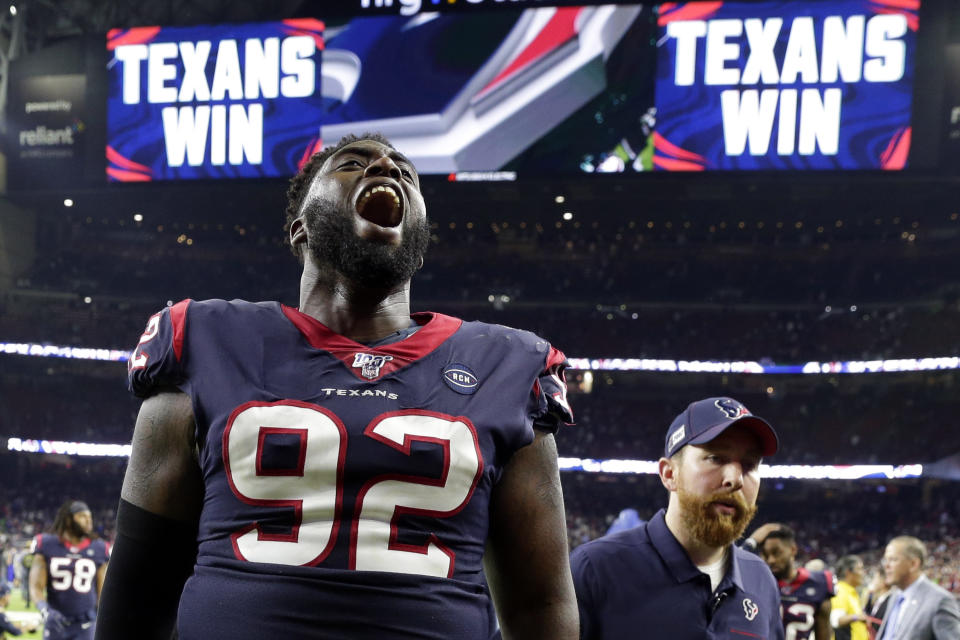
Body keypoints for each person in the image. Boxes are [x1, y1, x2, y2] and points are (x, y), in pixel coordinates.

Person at [95, 133, 578, 639]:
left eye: (405, 173)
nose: (387, 168)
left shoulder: (510, 366)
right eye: (352, 164)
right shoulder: (203, 339)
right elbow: (140, 589)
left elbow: (538, 605)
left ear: (419, 242)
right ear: (299, 229)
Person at [571, 396, 784, 639]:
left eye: (749, 464)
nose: (735, 478)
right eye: (715, 458)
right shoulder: (596, 570)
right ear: (669, 474)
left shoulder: (761, 580)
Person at [28, 501, 109, 640]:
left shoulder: (99, 548)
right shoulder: (46, 544)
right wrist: (44, 610)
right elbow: (35, 586)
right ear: (68, 519)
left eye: (89, 516)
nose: (89, 520)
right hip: (55, 622)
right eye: (82, 516)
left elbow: (104, 592)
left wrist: (102, 618)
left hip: (85, 624)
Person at [755, 525, 833, 640]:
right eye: (766, 555)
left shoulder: (818, 584)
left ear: (793, 550)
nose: (771, 560)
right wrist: (751, 542)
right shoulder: (758, 583)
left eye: (776, 553)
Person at [876, 535, 960, 640]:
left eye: (893, 559)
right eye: (885, 560)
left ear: (913, 564)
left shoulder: (939, 600)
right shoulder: (896, 596)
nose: (886, 566)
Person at [831, 555, 869, 640]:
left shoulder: (851, 592)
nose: (863, 572)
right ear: (848, 572)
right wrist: (857, 617)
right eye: (860, 569)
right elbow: (836, 620)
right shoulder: (840, 591)